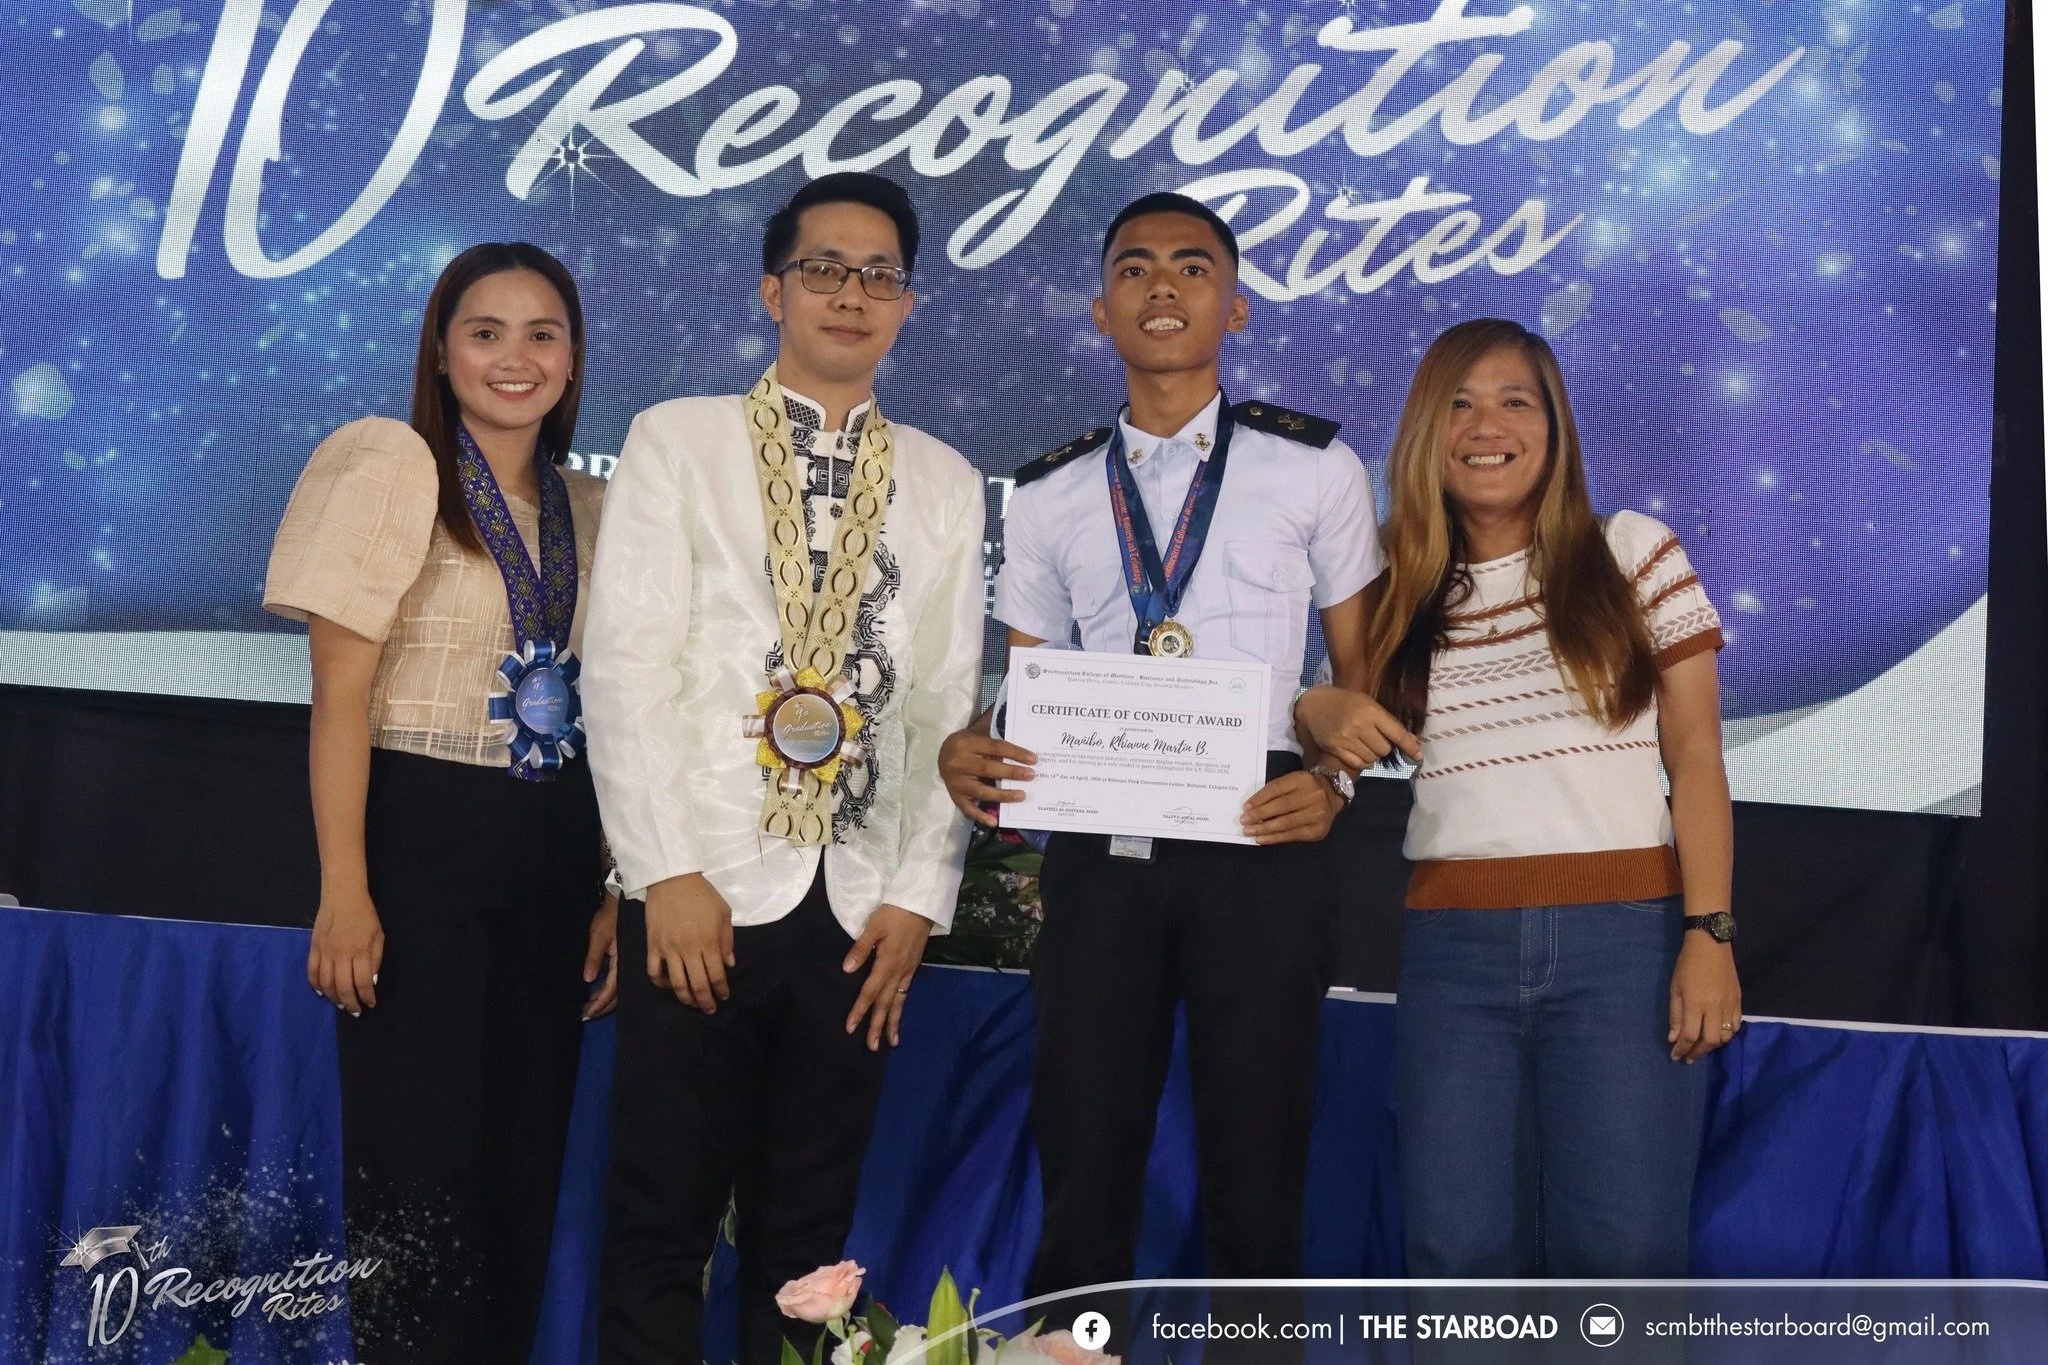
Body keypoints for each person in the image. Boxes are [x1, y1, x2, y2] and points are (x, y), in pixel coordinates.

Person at [938, 192, 1418, 1343]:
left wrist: (1334, 787)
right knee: (1085, 1150)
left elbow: (1362, 679)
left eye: (1192, 267)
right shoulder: (1048, 491)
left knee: (1259, 1157)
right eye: (1134, 268)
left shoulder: (1313, 467)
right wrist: (972, 745)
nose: (1162, 285)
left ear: (1234, 306)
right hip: (1100, 852)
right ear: (1098, 311)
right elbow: (1028, 689)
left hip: (1261, 834)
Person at [581, 171, 986, 1365]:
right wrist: (662, 874)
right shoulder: (679, 439)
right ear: (773, 292)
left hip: (857, 909)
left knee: (808, 1247)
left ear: (907, 305)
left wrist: (919, 894)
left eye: (878, 276)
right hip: (702, 884)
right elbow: (625, 668)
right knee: (659, 1219)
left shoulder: (947, 480)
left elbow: (945, 704)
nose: (850, 294)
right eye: (823, 269)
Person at [1297, 317, 1742, 1280]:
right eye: (1458, 403)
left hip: (1624, 946)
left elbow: (1697, 754)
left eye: (1514, 401)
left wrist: (1709, 932)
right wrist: (1309, 705)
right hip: (1453, 952)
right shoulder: (1392, 582)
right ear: (1427, 429)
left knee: (1621, 1257)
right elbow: (1337, 732)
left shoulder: (1631, 549)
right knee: (1453, 1255)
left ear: (1555, 426)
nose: (1485, 425)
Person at [263, 242, 616, 1363]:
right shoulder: (390, 469)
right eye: (486, 332)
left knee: (521, 1163)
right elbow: (339, 700)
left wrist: (610, 883)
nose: (516, 358)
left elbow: (620, 711)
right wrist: (345, 890)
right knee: (414, 1169)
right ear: (442, 349)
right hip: (417, 838)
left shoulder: (593, 506)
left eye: (542, 334)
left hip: (555, 844)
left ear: (572, 357)